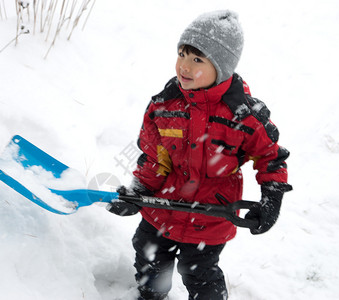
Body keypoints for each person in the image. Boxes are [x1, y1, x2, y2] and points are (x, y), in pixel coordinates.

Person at [107, 10, 292, 300]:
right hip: (163, 207)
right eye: (182, 54)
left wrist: (272, 198)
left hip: (211, 215)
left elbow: (271, 157)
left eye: (197, 60)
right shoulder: (164, 105)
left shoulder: (244, 114)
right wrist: (139, 191)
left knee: (200, 273)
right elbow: (155, 157)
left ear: (221, 67)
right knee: (149, 257)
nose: (184, 66)